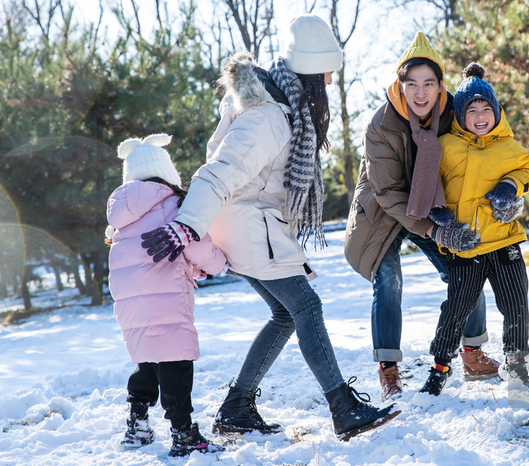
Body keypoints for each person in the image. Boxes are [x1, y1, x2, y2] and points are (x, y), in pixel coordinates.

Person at [139, 15, 397, 441]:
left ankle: (237, 406)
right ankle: (342, 407)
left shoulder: (276, 107)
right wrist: (186, 225)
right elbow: (217, 170)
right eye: (328, 71)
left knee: (286, 313)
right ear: (313, 71)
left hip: (247, 225)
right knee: (306, 307)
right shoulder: (271, 117)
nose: (331, 80)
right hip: (248, 228)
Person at [344, 32, 514, 401]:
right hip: (383, 211)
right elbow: (388, 193)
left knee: (465, 267)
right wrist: (438, 233)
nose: (420, 94)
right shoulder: (380, 125)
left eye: (429, 84)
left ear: (440, 87)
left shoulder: (455, 112)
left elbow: (487, 155)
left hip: (436, 205)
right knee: (388, 278)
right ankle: (388, 367)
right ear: (399, 85)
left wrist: (510, 191)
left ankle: (472, 353)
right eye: (412, 84)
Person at [419, 63, 529, 395]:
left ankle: (516, 366)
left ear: (496, 111)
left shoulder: (508, 145)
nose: (479, 115)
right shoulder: (445, 145)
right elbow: (427, 179)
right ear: (459, 115)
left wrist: (510, 185)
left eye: (486, 107)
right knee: (457, 307)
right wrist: (436, 209)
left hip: (504, 242)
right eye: (471, 109)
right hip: (465, 244)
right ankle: (439, 368)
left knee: (516, 303)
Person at [106, 134, 228, 456]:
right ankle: (183, 432)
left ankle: (138, 422)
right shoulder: (174, 204)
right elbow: (196, 243)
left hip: (131, 306)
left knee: (147, 360)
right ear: (166, 171)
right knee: (175, 362)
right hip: (167, 301)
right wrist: (221, 264)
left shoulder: (121, 216)